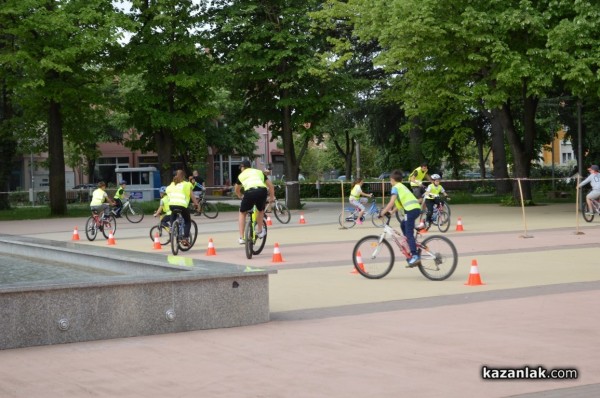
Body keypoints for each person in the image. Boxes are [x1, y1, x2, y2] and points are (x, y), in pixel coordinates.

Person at [379, 169, 422, 266]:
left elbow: (391, 202)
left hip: (411, 211)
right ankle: (410, 244)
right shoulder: (402, 186)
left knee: (409, 233)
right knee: (403, 224)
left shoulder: (395, 187)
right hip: (414, 209)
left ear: (392, 179)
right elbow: (399, 205)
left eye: (390, 180)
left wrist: (383, 212)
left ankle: (415, 256)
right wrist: (391, 212)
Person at [235, 159, 275, 245]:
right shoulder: (259, 172)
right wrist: (271, 197)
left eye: (240, 167)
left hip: (249, 192)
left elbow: (237, 189)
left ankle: (242, 237)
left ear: (242, 167)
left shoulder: (241, 175)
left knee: (242, 213)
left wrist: (239, 195)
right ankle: (260, 231)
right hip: (262, 191)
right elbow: (271, 186)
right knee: (260, 210)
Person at [166, 170, 199, 247]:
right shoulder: (187, 184)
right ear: (183, 177)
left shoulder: (171, 185)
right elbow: (192, 196)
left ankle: (171, 227)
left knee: (173, 213)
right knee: (187, 221)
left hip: (171, 205)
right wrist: (196, 205)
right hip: (182, 205)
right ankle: (185, 238)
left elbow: (167, 193)